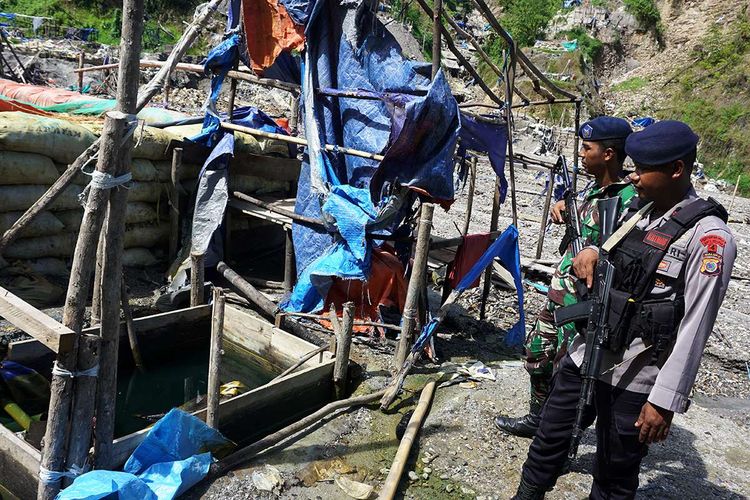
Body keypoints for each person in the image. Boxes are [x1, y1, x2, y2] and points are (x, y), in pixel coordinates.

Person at [512, 120, 737, 499]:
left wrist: (663, 401)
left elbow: (696, 326)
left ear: (676, 170)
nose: (632, 177)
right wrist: (593, 251)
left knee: (614, 472)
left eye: (642, 169)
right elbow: (613, 247)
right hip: (588, 352)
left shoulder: (709, 237)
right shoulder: (637, 210)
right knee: (549, 438)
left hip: (637, 373)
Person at [495, 116, 637, 438]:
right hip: (560, 295)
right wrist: (563, 206)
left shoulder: (631, 200)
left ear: (609, 154)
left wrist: (600, 252)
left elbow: (632, 251)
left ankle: (559, 435)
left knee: (569, 372)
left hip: (588, 305)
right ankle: (537, 418)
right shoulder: (590, 188)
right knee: (537, 356)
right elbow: (583, 223)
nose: (582, 154)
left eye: (588, 148)